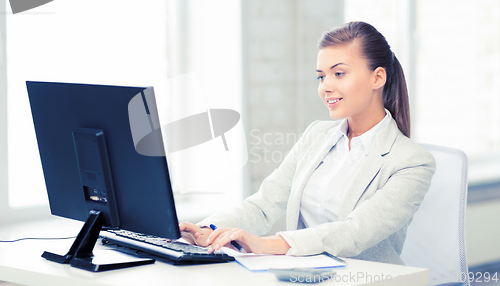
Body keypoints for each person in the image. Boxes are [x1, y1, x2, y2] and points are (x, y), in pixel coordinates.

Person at [179, 21, 436, 265]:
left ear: (377, 78)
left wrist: (263, 244)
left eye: (339, 73)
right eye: (321, 77)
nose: (326, 87)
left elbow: (354, 232)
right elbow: (263, 204)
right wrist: (208, 230)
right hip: (304, 275)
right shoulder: (316, 135)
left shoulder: (412, 162)